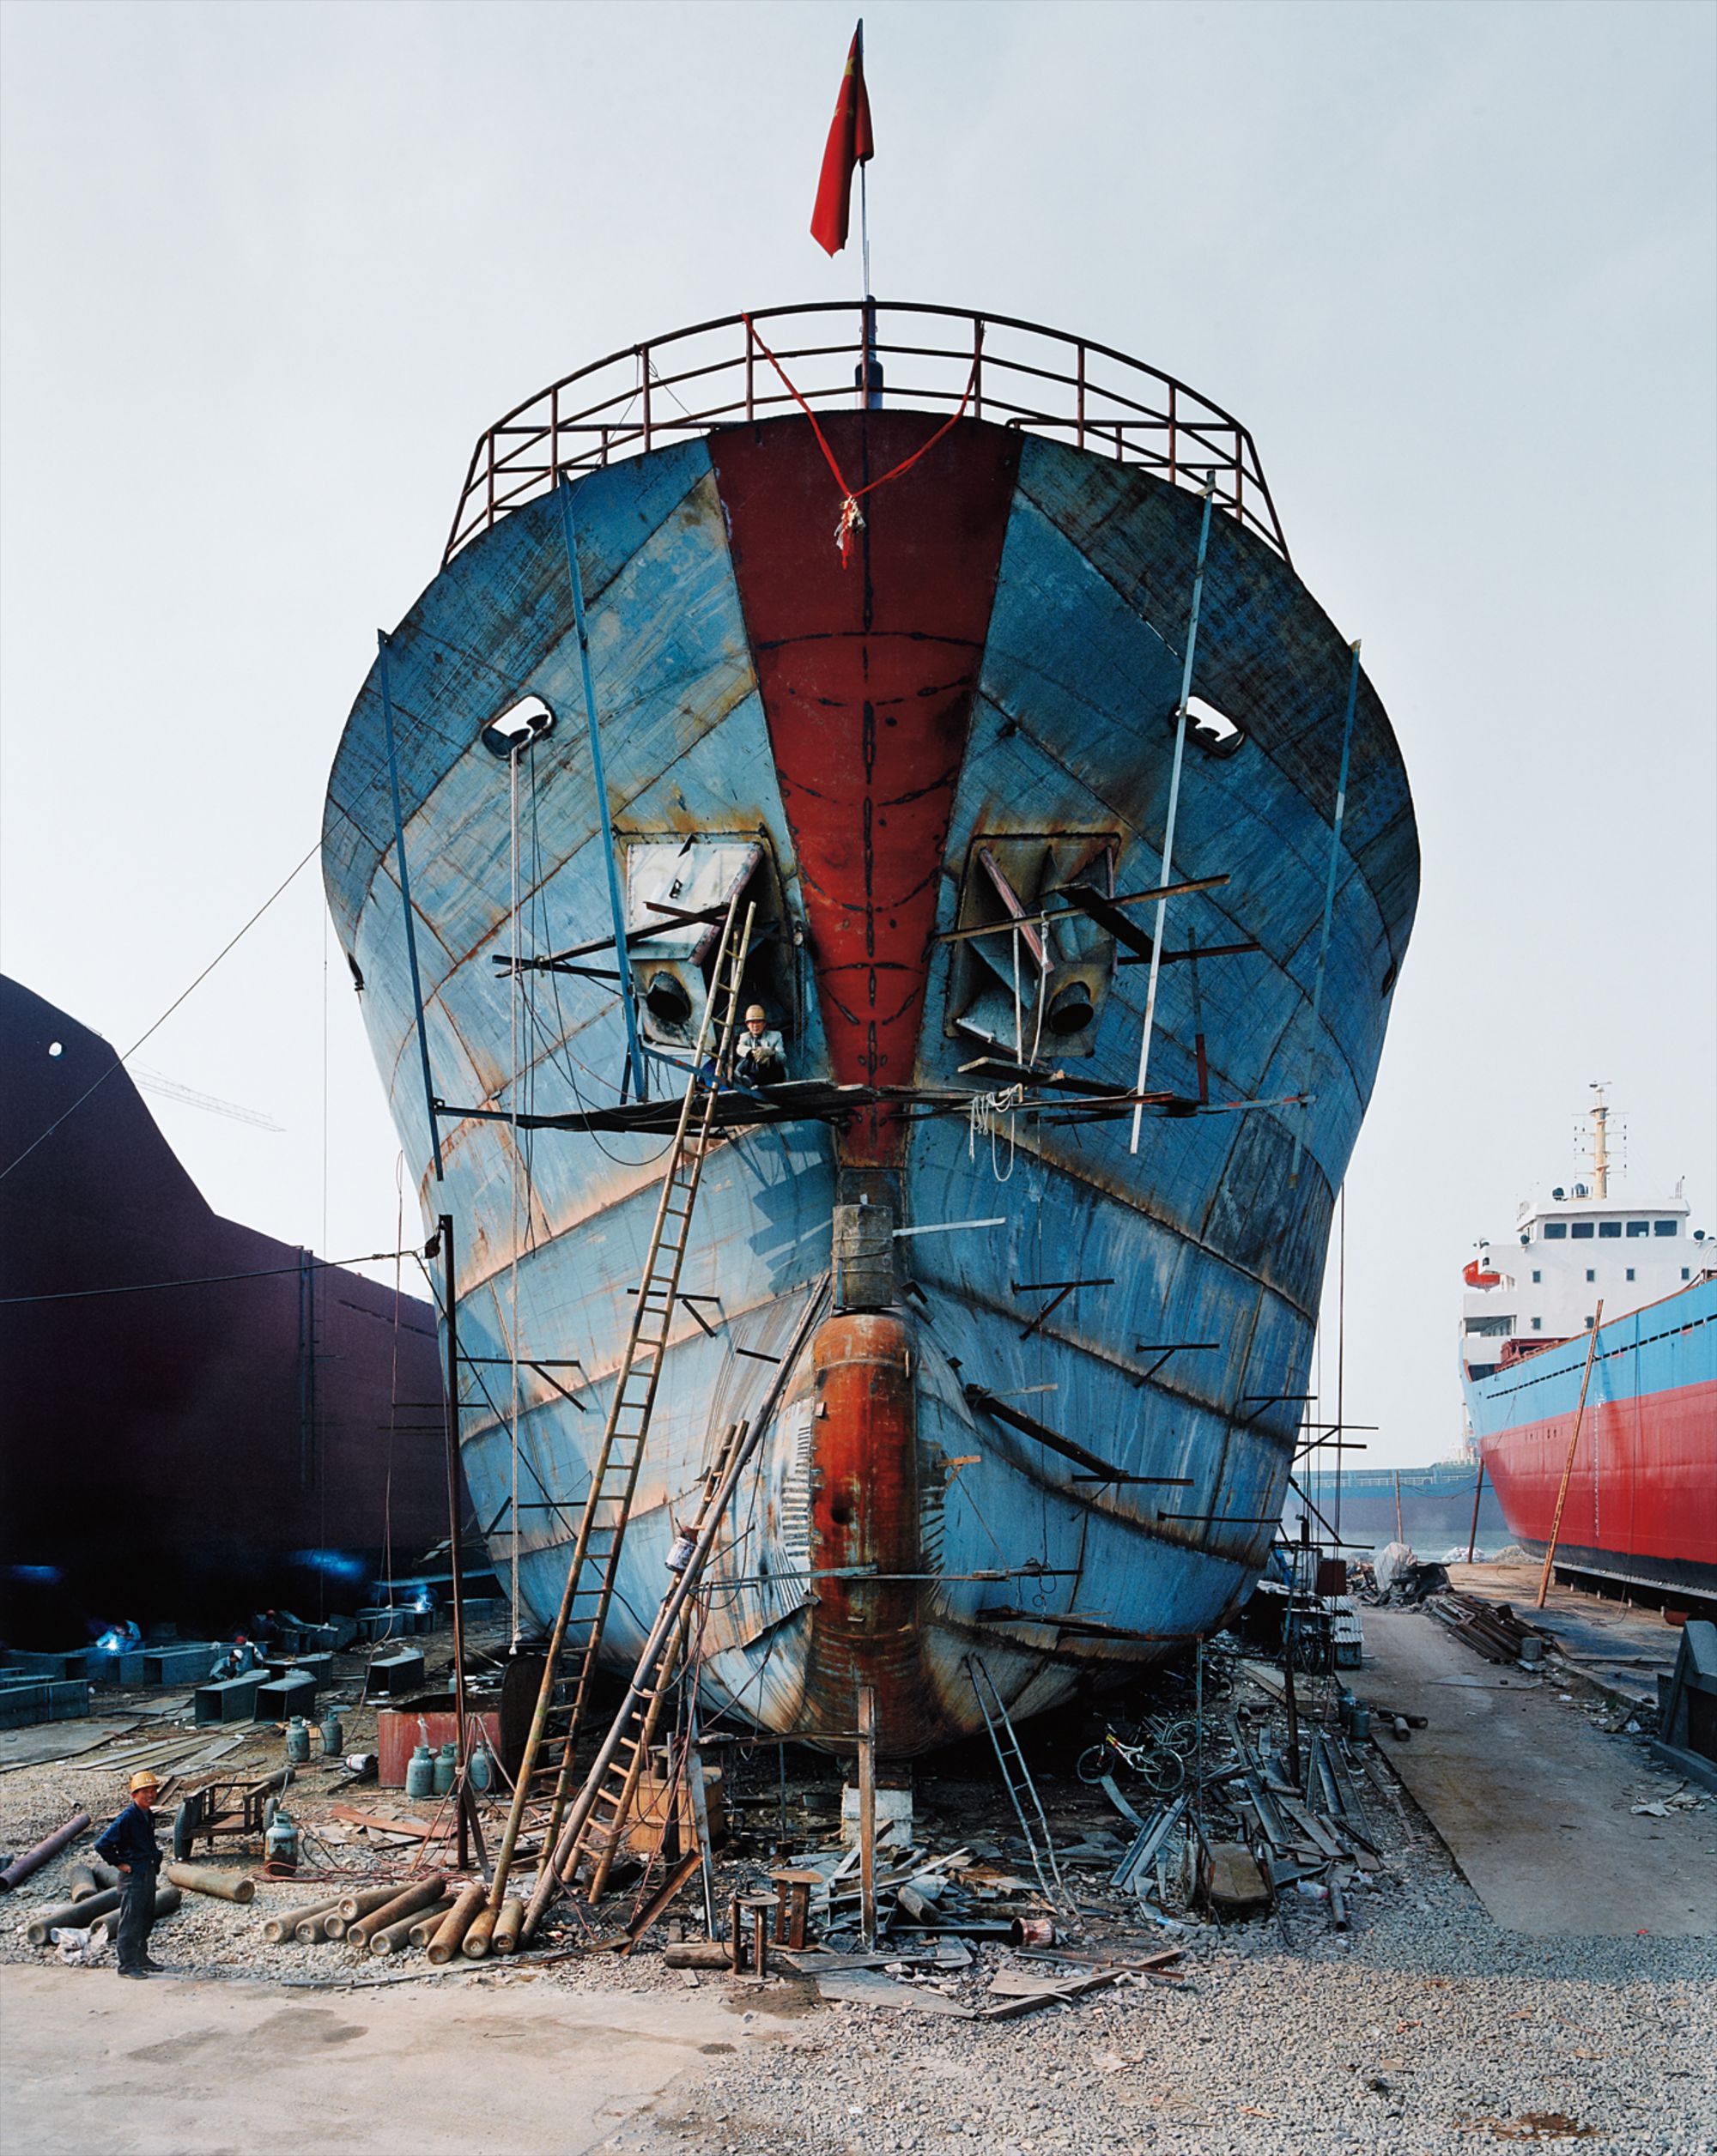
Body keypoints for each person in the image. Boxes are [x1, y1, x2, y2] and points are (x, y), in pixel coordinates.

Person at [94, 1771, 164, 1977]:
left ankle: (141, 1957)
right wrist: (119, 1863)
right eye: (145, 1792)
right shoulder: (127, 1818)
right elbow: (102, 1844)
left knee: (145, 1917)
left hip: (147, 1872)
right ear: (134, 1794)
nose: (150, 1795)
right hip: (133, 1877)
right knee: (131, 1920)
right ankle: (127, 1965)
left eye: (153, 1791)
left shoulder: (147, 1814)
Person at [731, 1003, 786, 1087]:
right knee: (749, 1056)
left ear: (764, 1024)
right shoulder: (744, 1037)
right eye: (752, 1022)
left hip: (771, 1074)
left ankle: (749, 1080)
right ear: (747, 1025)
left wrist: (769, 1053)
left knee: (766, 1059)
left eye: (758, 1022)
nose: (755, 1026)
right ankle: (740, 1077)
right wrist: (753, 1052)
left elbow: (783, 1058)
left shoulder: (776, 1036)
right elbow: (739, 1049)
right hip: (753, 1072)